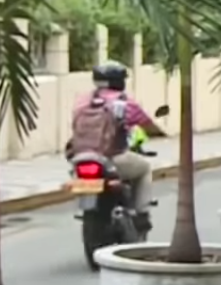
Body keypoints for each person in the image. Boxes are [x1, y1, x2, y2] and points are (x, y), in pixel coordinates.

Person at [70, 61, 165, 230]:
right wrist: (160, 133)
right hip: (111, 157)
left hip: (81, 157)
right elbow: (147, 124)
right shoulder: (123, 103)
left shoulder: (82, 101)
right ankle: (142, 213)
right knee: (144, 168)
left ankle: (84, 208)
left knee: (76, 176)